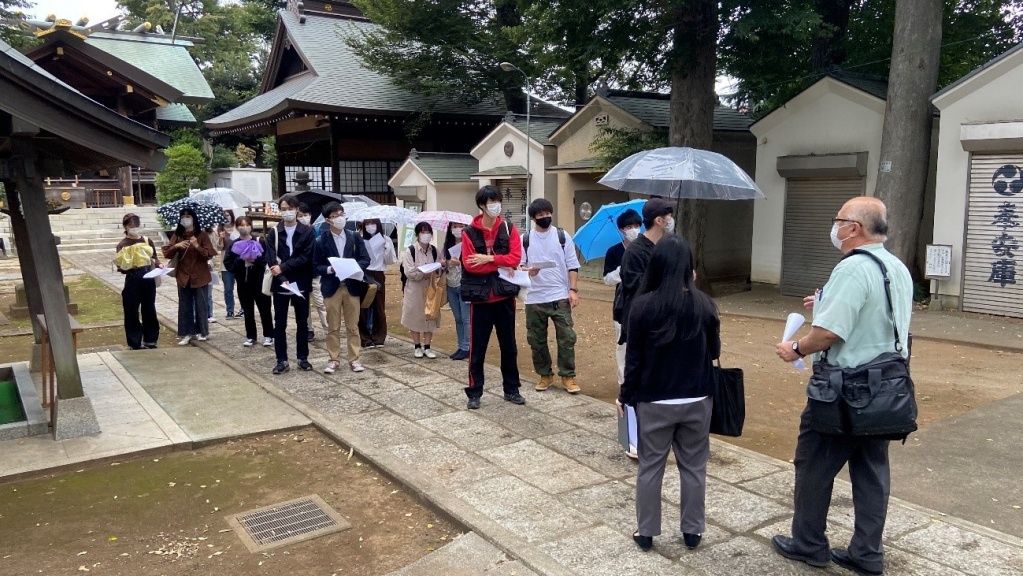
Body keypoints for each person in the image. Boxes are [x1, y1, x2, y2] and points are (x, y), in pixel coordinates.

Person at [772, 197, 912, 576]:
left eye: (838, 220)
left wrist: (796, 347)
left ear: (855, 228)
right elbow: (875, 318)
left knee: (815, 465)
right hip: (885, 388)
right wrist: (824, 302)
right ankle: (867, 554)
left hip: (841, 390)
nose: (834, 227)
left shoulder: (851, 269)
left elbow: (830, 334)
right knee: (871, 470)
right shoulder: (895, 266)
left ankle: (809, 544)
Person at [618, 236, 719, 553]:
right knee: (694, 467)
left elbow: (633, 359)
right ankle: (693, 531)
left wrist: (625, 395)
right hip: (697, 397)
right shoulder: (705, 304)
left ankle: (646, 532)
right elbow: (714, 350)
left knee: (650, 466)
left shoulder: (643, 306)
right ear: (691, 267)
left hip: (655, 399)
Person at [461, 185, 526, 409]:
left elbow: (515, 258)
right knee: (477, 348)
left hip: (504, 297)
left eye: (497, 201)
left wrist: (489, 259)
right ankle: (474, 392)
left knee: (509, 346)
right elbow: (470, 265)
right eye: (491, 202)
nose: (496, 206)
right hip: (480, 299)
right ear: (481, 205)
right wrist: (501, 263)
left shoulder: (508, 228)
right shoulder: (469, 232)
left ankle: (512, 388)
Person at [520, 198, 582, 394]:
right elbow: (519, 265)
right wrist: (527, 270)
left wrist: (572, 290)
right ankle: (544, 375)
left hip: (559, 295)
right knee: (536, 339)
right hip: (534, 297)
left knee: (567, 337)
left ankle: (568, 376)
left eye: (547, 214)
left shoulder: (563, 237)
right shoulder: (525, 239)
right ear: (533, 218)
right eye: (540, 215)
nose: (545, 218)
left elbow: (572, 265)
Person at [314, 202, 371, 373]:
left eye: (341, 214)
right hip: (332, 287)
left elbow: (365, 259)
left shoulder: (354, 237)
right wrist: (330, 269)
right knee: (333, 326)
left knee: (353, 325)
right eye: (335, 215)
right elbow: (315, 266)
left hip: (351, 286)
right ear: (328, 220)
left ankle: (354, 359)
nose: (340, 218)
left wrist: (354, 267)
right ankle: (333, 359)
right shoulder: (320, 240)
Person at [603, 208, 642, 458]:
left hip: (646, 311)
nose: (633, 229)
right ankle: (624, 390)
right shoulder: (615, 251)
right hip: (622, 311)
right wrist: (623, 268)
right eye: (629, 226)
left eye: (637, 224)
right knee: (624, 354)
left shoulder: (650, 248)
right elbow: (607, 279)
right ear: (621, 229)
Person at [265, 194, 316, 374]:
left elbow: (306, 257)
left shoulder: (307, 231)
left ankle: (303, 357)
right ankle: (281, 359)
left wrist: (283, 267)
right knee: (280, 322)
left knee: (302, 322)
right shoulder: (273, 232)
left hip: (301, 279)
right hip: (280, 282)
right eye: (283, 209)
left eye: (290, 209)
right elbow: (271, 258)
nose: (287, 212)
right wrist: (280, 276)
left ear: (296, 210)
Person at [616, 198, 675, 347]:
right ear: (659, 221)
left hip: (663, 320)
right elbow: (634, 285)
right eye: (669, 215)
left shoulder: (667, 247)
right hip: (643, 323)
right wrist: (667, 277)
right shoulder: (634, 252)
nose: (672, 219)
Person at [161, 207, 216, 346]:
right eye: (183, 216)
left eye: (188, 216)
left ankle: (202, 331)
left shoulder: (202, 235)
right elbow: (166, 253)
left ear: (193, 218)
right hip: (183, 275)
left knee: (201, 305)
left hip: (200, 275)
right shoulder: (177, 235)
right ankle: (186, 333)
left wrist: (197, 245)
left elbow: (208, 254)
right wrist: (177, 246)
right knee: (184, 305)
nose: (185, 219)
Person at [222, 216, 274, 348]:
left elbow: (268, 259)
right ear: (237, 227)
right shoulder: (234, 244)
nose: (244, 227)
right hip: (243, 281)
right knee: (247, 309)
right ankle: (251, 336)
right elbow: (228, 263)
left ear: (250, 226)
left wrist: (255, 261)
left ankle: (269, 335)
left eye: (246, 225)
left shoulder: (260, 240)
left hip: (259, 280)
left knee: (264, 308)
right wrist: (241, 260)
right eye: (241, 225)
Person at [115, 213, 162, 350]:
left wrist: (159, 265)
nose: (134, 228)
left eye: (136, 225)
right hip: (132, 278)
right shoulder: (122, 244)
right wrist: (128, 267)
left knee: (149, 309)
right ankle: (134, 341)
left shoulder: (147, 240)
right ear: (126, 226)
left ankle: (151, 339)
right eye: (131, 226)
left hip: (148, 276)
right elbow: (120, 266)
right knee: (131, 310)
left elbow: (154, 257)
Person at [401, 222, 442, 358]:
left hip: (430, 287)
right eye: (423, 232)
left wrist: (440, 266)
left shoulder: (434, 250)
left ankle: (428, 346)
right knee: (415, 315)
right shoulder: (410, 251)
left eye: (428, 232)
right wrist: (423, 274)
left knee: (430, 314)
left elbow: (438, 269)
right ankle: (417, 346)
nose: (426, 235)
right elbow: (409, 272)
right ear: (417, 234)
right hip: (414, 288)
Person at [359, 217, 395, 348]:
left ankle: (378, 336)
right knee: (363, 306)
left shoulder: (385, 239)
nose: (370, 226)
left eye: (373, 223)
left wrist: (387, 249)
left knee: (379, 306)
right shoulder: (360, 239)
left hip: (378, 273)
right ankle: (364, 338)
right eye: (367, 223)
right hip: (364, 273)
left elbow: (391, 260)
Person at [442, 223, 470, 360]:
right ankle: (461, 345)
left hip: (464, 284)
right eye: (454, 226)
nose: (457, 229)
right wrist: (443, 263)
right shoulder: (447, 245)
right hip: (450, 284)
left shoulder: (469, 244)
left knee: (466, 318)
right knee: (458, 318)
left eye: (460, 226)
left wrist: (460, 263)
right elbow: (443, 265)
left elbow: (473, 264)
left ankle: (467, 347)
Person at [299, 203, 326, 341]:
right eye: (300, 216)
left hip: (315, 273)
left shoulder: (317, 231)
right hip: (301, 273)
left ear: (310, 216)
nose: (304, 218)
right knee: (305, 304)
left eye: (306, 215)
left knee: (320, 302)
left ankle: (327, 328)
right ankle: (309, 329)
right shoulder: (296, 233)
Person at [215, 210, 242, 320]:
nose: (226, 217)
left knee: (242, 287)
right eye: (224, 215)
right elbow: (218, 248)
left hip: (239, 260)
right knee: (228, 289)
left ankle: (243, 309)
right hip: (225, 262)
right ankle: (230, 310)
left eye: (228, 215)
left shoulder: (238, 228)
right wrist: (221, 238)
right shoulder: (219, 230)